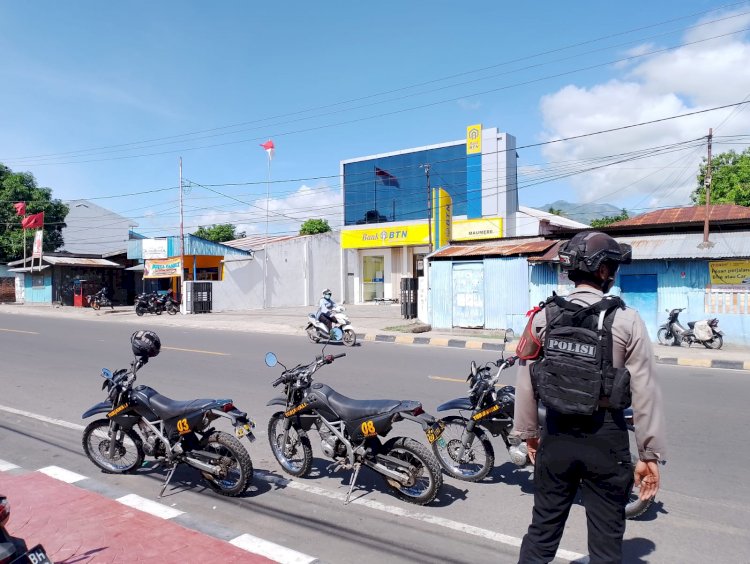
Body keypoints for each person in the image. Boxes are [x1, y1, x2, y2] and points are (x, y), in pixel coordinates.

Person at [513, 231, 666, 564]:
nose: (613, 273)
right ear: (601, 271)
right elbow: (646, 392)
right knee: (606, 543)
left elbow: (524, 379)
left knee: (542, 532)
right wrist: (649, 454)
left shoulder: (543, 316)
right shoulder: (627, 320)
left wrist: (529, 435)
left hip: (556, 435)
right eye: (611, 266)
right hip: (605, 440)